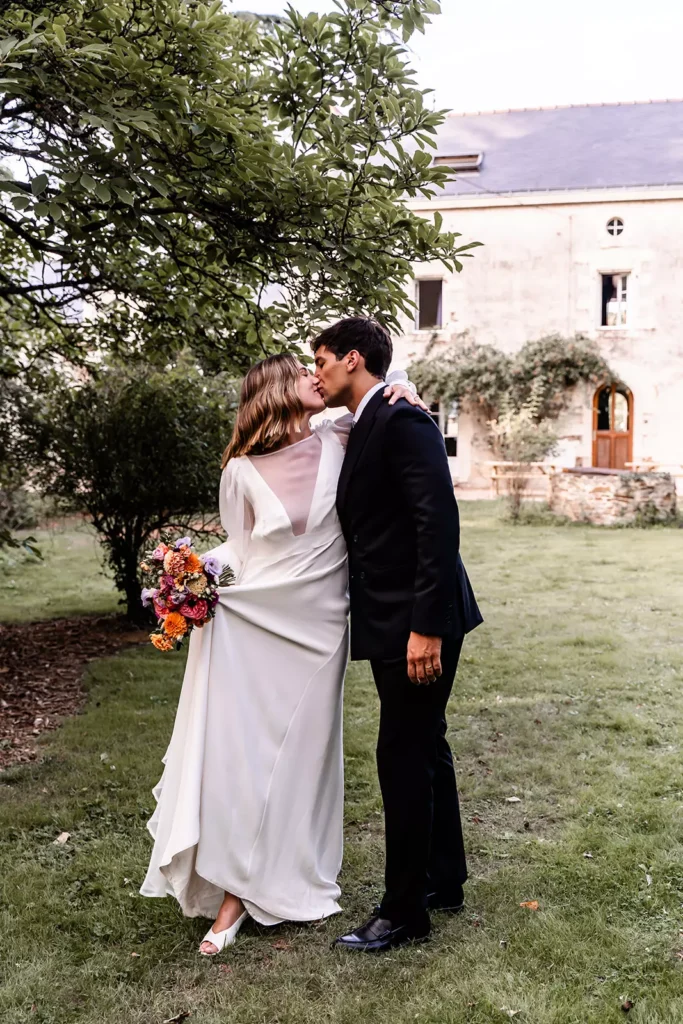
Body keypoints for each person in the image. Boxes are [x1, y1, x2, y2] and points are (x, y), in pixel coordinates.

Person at [139, 348, 423, 955]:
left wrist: (406, 389)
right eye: (301, 371)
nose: (314, 376)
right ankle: (235, 894)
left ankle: (283, 876)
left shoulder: (339, 437)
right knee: (247, 758)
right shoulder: (239, 470)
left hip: (321, 626)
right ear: (274, 389)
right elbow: (239, 552)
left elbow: (386, 390)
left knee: (302, 758)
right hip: (256, 622)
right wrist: (190, 575)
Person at [312, 318, 483, 954]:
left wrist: (426, 629)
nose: (317, 373)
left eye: (322, 361)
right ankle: (443, 880)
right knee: (425, 743)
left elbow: (438, 523)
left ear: (352, 359)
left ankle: (404, 911)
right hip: (390, 616)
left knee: (402, 754)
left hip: (418, 619)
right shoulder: (370, 416)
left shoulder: (403, 420)